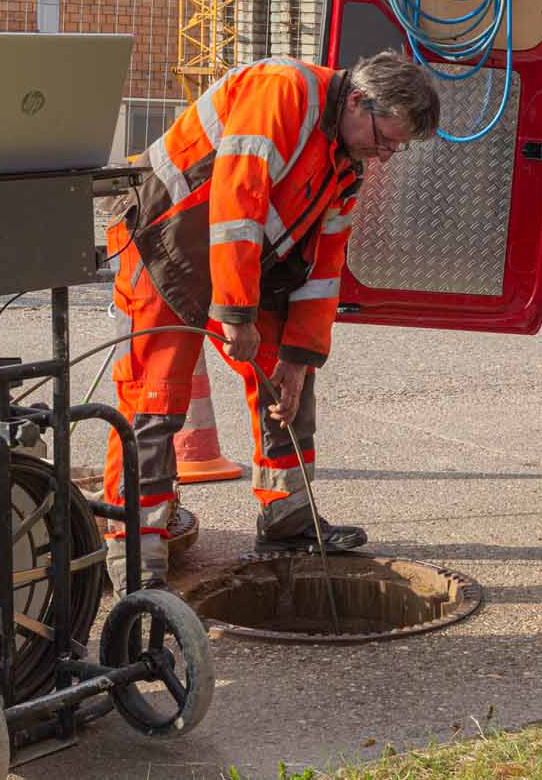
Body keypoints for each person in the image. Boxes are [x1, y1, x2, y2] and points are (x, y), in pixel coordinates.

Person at [101, 50, 441, 589]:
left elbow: (325, 266)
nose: (386, 155)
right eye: (385, 138)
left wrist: (299, 354)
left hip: (243, 260)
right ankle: (136, 545)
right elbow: (238, 202)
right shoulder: (283, 92)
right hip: (164, 243)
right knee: (154, 397)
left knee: (287, 386)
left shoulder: (347, 159)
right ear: (357, 100)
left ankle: (286, 518)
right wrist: (236, 314)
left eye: (396, 146)